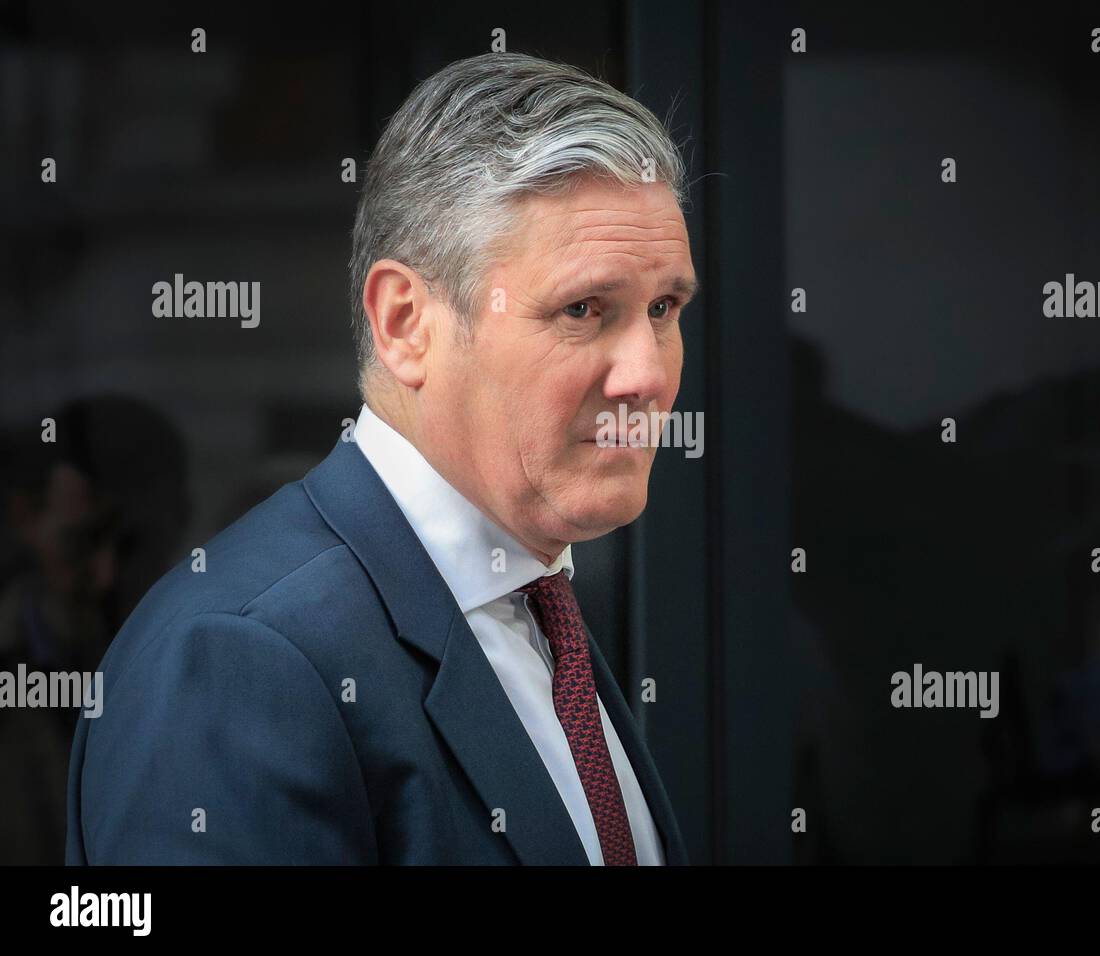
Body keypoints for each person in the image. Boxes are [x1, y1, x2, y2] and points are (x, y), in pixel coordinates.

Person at [65, 52, 696, 865]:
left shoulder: (536, 609)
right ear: (405, 323)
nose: (647, 373)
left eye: (663, 307)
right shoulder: (240, 657)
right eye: (583, 309)